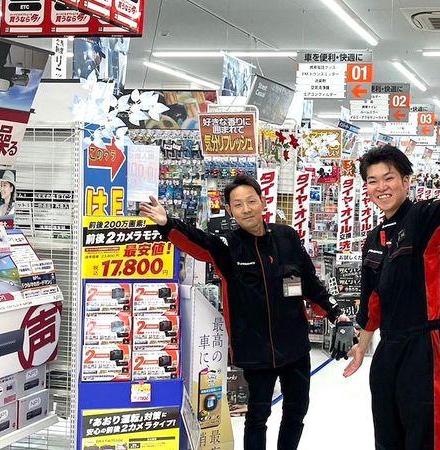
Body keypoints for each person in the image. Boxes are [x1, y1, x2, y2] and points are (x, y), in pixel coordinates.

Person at [139, 175, 350, 450]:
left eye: (251, 201)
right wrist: (167, 223)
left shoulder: (286, 237)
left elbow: (310, 283)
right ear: (230, 210)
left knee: (297, 410)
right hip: (254, 350)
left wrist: (337, 314)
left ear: (263, 201)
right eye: (238, 205)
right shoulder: (228, 246)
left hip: (295, 347)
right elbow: (198, 241)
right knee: (257, 417)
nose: (247, 209)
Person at [343, 138, 440, 449]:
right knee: (387, 436)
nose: (381, 187)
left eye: (388, 178)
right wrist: (362, 346)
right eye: (372, 181)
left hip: (424, 349)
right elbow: (372, 301)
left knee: (425, 437)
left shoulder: (423, 219)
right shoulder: (373, 238)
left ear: (406, 181)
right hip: (388, 351)